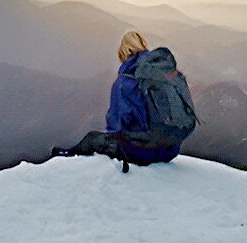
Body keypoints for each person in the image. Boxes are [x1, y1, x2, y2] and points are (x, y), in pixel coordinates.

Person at [53, 31, 194, 171]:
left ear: (124, 52)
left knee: (93, 139)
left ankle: (68, 156)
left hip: (144, 152)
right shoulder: (161, 74)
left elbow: (117, 123)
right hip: (170, 150)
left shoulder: (126, 81)